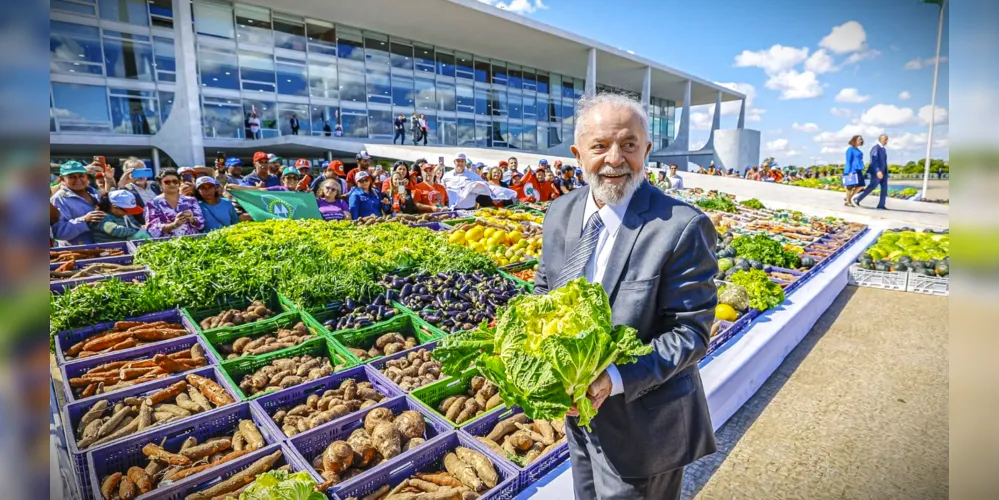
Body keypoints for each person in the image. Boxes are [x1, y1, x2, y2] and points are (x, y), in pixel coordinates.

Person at [533, 93, 716, 500]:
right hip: (578, 421)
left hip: (645, 430)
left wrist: (612, 379)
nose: (615, 159)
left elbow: (690, 333)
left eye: (629, 145)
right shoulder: (559, 212)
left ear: (646, 150)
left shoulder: (682, 227)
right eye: (600, 146)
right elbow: (544, 294)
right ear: (578, 153)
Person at [50, 161, 105, 245]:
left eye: (81, 176)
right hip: (78, 252)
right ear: (62, 179)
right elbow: (59, 232)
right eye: (72, 177)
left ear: (86, 176)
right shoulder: (59, 199)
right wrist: (84, 220)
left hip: (103, 246)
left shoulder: (94, 193)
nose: (78, 180)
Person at [145, 168, 205, 237]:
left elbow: (201, 225)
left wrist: (192, 219)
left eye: (175, 181)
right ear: (160, 184)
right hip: (167, 245)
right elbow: (152, 229)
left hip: (192, 242)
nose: (172, 184)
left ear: (179, 183)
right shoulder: (153, 204)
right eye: (167, 182)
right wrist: (173, 225)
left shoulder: (191, 200)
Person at [854, 134, 889, 209]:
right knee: (872, 186)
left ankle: (881, 205)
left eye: (887, 139)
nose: (887, 141)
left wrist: (885, 172)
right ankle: (857, 199)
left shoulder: (883, 149)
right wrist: (878, 171)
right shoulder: (876, 148)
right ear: (881, 139)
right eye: (885, 139)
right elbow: (873, 161)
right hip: (877, 173)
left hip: (884, 173)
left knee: (884, 188)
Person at [843, 135, 867, 207]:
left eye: (861, 139)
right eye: (859, 139)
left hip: (858, 169)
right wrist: (849, 171)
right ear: (854, 140)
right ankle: (848, 201)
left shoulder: (858, 150)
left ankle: (848, 198)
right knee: (849, 186)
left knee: (861, 185)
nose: (861, 141)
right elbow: (848, 161)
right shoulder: (850, 149)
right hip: (852, 170)